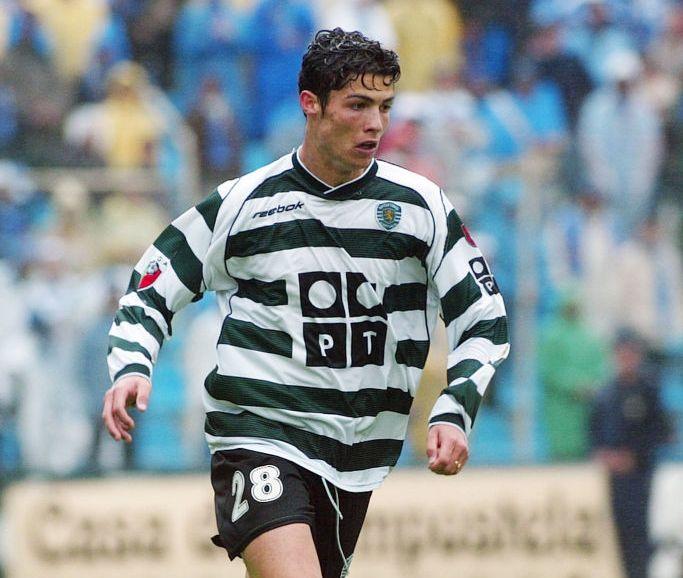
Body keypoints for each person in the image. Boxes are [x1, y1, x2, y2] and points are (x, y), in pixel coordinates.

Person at [102, 28, 509, 578]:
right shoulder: (244, 204)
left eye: (385, 107)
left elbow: (483, 317)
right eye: (358, 105)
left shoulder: (421, 208)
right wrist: (132, 363)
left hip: (358, 456)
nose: (375, 123)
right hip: (259, 433)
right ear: (310, 104)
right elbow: (152, 285)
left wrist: (455, 409)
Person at [590, 329, 672, 578]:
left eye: (630, 353)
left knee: (640, 535)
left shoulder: (648, 390)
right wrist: (604, 455)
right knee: (618, 536)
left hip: (641, 476)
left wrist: (633, 456)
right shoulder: (607, 393)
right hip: (613, 478)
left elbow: (661, 431)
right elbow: (594, 432)